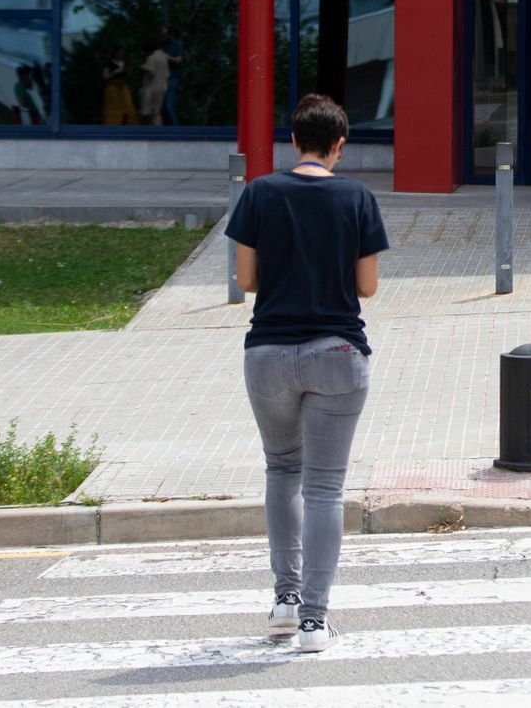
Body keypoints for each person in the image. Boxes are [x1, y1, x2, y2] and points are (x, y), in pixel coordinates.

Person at [227, 93, 389, 653]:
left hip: (268, 354)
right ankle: (315, 623)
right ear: (339, 146)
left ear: (293, 140)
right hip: (338, 354)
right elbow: (367, 288)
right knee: (324, 486)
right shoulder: (358, 197)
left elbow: (246, 279)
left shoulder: (259, 193)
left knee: (282, 470)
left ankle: (284, 599)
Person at [139, 39, 172, 126]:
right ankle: (158, 133)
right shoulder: (164, 58)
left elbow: (151, 73)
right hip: (162, 86)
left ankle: (151, 132)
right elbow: (167, 74)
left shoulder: (151, 57)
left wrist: (143, 68)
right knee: (157, 112)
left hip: (152, 87)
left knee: (149, 112)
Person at [100, 47, 137, 125]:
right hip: (112, 87)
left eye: (122, 52)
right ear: (115, 52)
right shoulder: (109, 63)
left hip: (123, 87)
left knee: (128, 105)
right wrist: (114, 72)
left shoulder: (125, 62)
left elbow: (128, 75)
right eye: (119, 52)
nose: (121, 54)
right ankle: (112, 125)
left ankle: (129, 125)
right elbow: (105, 77)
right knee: (113, 107)